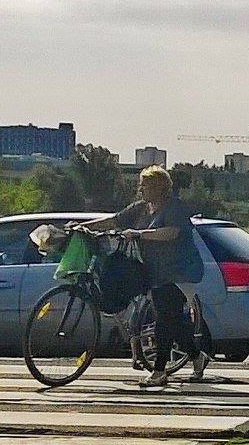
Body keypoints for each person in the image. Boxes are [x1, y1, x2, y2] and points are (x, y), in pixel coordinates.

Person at [78, 166, 207, 388]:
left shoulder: (174, 207)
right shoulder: (141, 209)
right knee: (172, 320)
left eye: (145, 184)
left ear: (159, 187)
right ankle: (197, 356)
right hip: (157, 272)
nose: (141, 188)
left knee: (165, 318)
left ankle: (159, 371)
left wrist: (138, 233)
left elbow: (171, 232)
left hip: (181, 272)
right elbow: (115, 220)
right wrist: (83, 226)